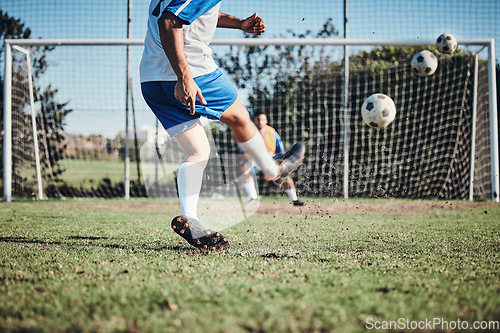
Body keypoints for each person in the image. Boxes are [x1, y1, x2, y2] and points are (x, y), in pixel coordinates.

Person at [139, 0, 305, 251]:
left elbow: (192, 12)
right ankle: (273, 169)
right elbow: (170, 21)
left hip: (151, 80)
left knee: (197, 151)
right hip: (191, 72)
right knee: (240, 117)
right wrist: (184, 75)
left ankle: (190, 220)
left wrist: (239, 23)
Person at [241, 111, 305, 206]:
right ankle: (253, 198)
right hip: (256, 161)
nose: (260, 122)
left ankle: (295, 200)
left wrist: (282, 161)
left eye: (262, 119)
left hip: (271, 160)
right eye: (258, 120)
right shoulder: (248, 133)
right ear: (254, 121)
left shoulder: (272, 132)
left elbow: (281, 151)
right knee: (245, 170)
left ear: (266, 120)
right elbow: (244, 153)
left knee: (286, 175)